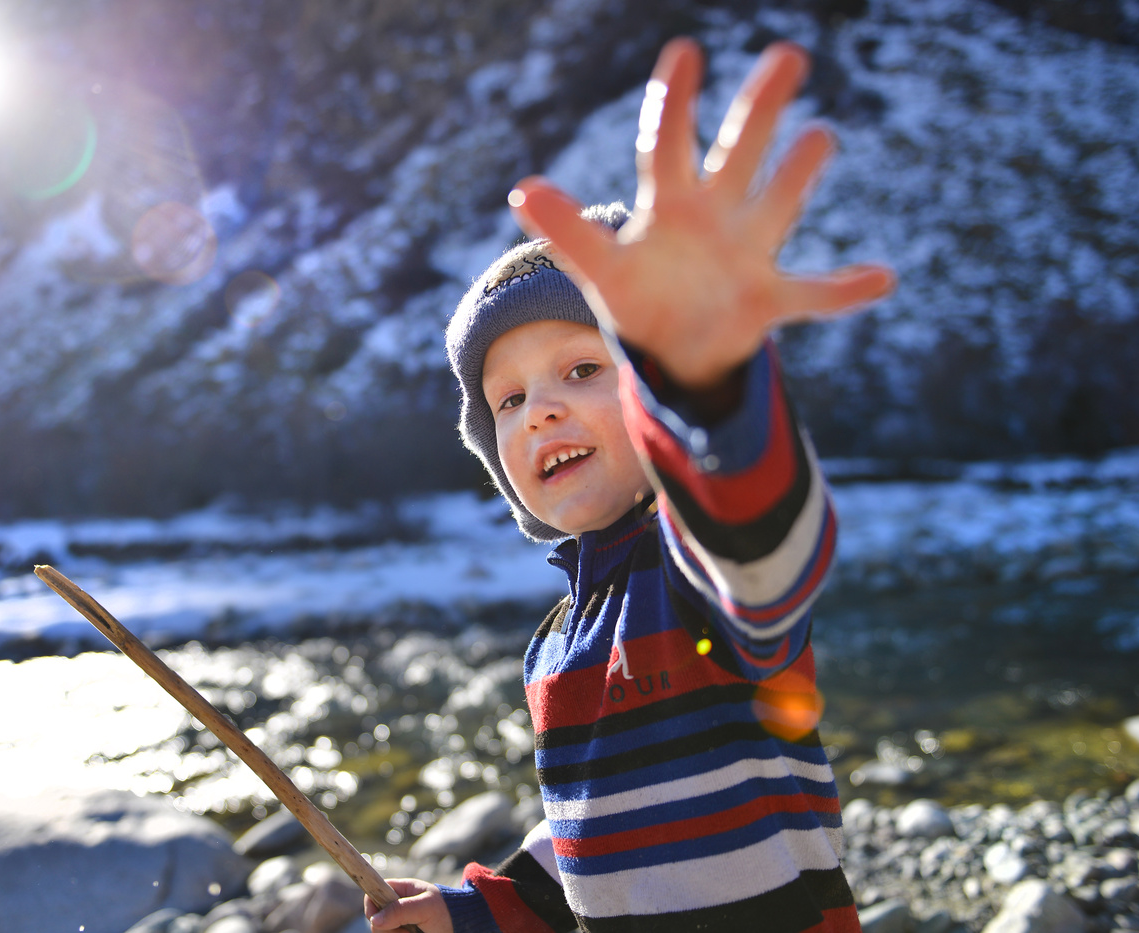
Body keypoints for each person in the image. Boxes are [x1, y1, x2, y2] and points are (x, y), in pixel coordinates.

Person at [366, 37, 896, 933]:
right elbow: (588, 830)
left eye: (581, 370)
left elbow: (760, 539)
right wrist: (475, 913)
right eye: (510, 398)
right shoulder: (557, 641)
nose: (539, 411)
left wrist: (704, 387)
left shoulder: (694, 572)